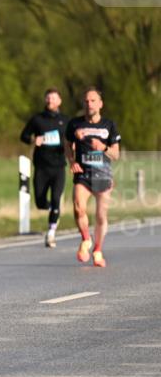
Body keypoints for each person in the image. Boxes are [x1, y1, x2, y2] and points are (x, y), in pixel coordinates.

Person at [64, 87, 121, 268]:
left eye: (93, 100)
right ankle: (86, 239)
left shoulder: (109, 125)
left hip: (103, 175)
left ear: (100, 104)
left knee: (100, 216)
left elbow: (116, 155)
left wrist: (102, 147)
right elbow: (67, 144)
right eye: (86, 101)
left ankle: (97, 249)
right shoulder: (74, 124)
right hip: (83, 174)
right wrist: (72, 160)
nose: (89, 104)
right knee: (78, 208)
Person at [20, 88, 68, 248]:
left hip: (59, 166)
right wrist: (34, 139)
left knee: (56, 199)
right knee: (40, 201)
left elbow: (73, 140)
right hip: (41, 166)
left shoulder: (66, 121)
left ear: (59, 101)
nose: (50, 101)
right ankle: (53, 210)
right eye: (48, 98)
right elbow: (24, 136)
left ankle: (51, 233)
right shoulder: (37, 119)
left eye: (53, 99)